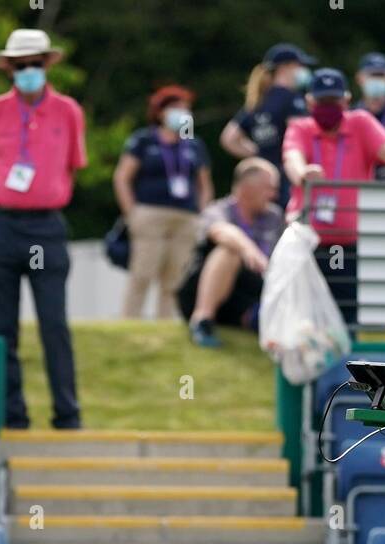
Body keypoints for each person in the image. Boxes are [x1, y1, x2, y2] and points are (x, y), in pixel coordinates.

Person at [0, 29, 85, 430]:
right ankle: (11, 415)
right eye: (21, 66)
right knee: (1, 328)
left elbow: (73, 164)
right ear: (10, 70)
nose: (29, 71)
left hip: (46, 226)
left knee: (54, 324)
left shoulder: (68, 111)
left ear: (47, 65)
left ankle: (67, 414)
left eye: (36, 64)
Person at [283, 69, 385, 323]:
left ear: (346, 101)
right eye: (322, 102)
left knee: (347, 314)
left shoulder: (361, 122)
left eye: (333, 101)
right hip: (307, 240)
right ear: (309, 102)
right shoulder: (300, 127)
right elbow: (291, 158)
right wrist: (302, 173)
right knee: (304, 316)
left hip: (350, 242)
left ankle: (344, 361)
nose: (328, 108)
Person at [113, 87, 213, 319]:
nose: (183, 113)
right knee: (143, 273)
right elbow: (122, 177)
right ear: (160, 113)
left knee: (175, 277)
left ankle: (166, 324)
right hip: (150, 213)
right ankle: (130, 321)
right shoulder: (144, 140)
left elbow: (204, 184)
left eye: (185, 109)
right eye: (176, 108)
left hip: (186, 216)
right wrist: (131, 213)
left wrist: (201, 214)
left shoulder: (193, 144)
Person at [178, 158, 284, 348]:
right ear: (246, 188)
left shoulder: (274, 218)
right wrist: (249, 250)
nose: (274, 195)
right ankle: (202, 321)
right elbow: (221, 231)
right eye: (269, 188)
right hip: (201, 290)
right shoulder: (218, 210)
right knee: (230, 250)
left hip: (246, 296)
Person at [220, 43, 315, 207]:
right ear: (284, 68)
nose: (303, 70)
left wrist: (258, 154)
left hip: (263, 179)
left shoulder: (257, 101)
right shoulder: (292, 99)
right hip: (287, 177)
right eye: (299, 66)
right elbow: (299, 135)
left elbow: (229, 138)